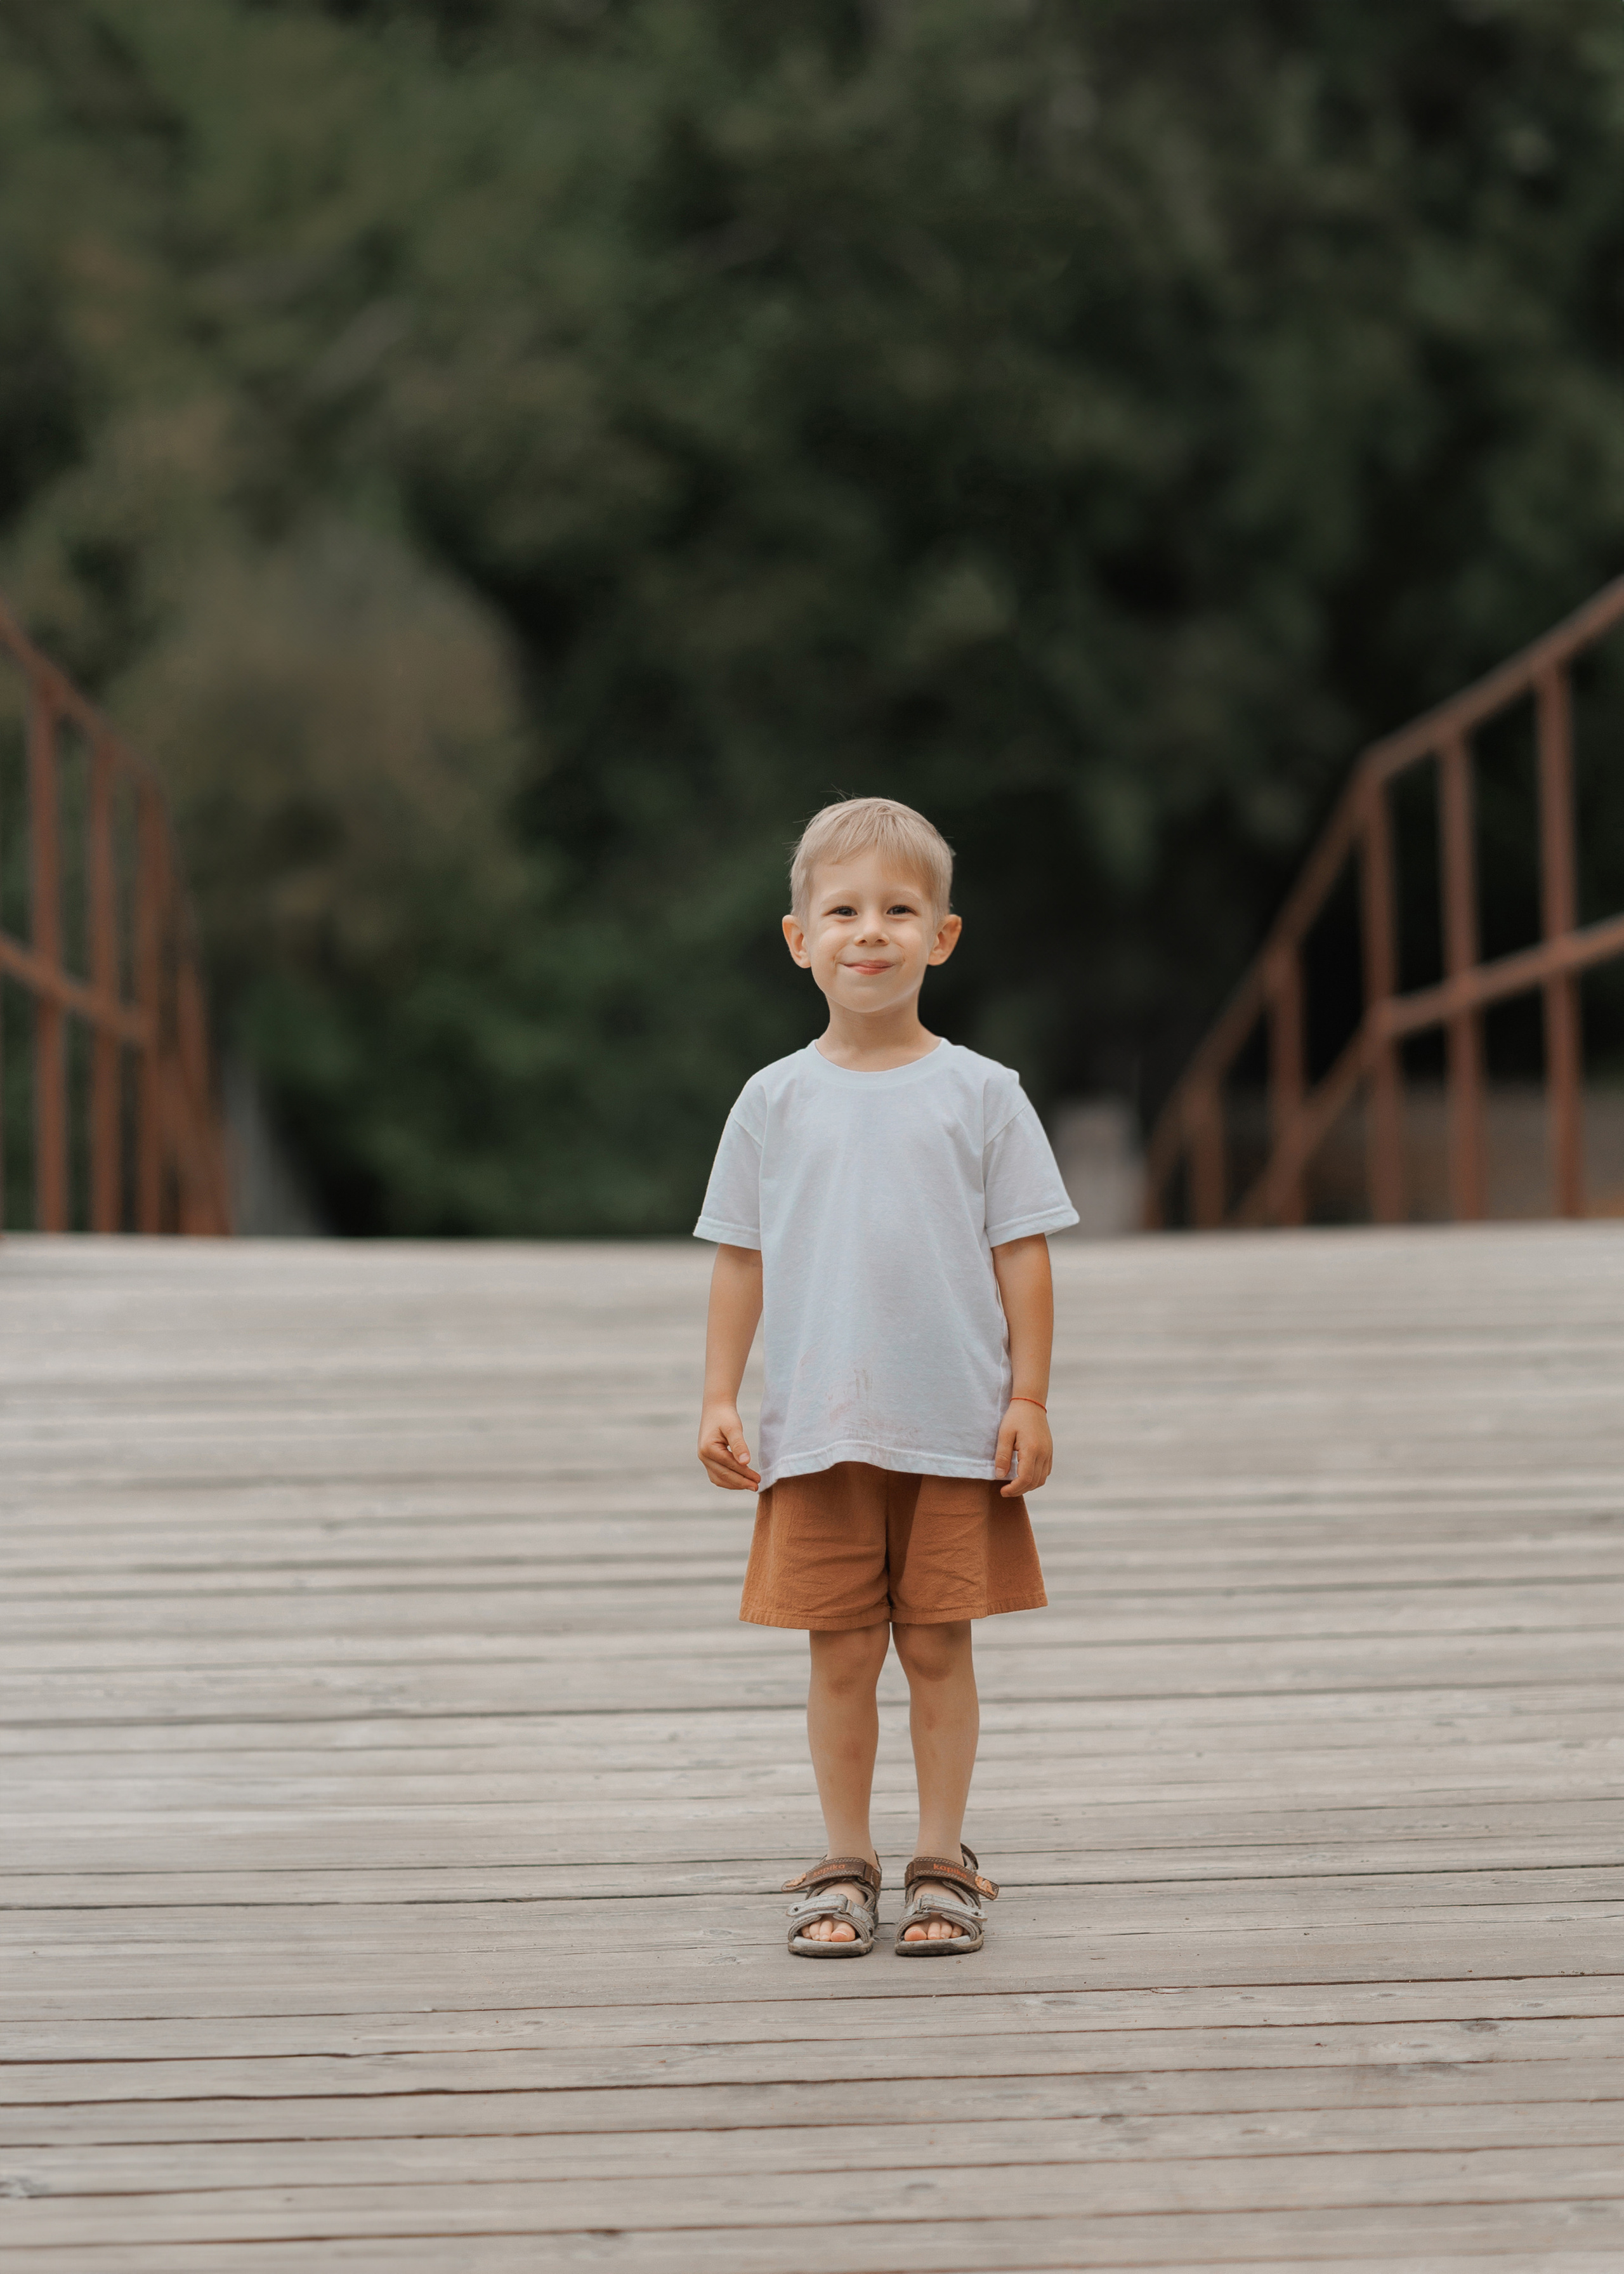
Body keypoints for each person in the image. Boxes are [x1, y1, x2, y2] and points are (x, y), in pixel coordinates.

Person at [694, 795, 1078, 1957]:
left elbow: (1025, 1254)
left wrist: (1029, 1397)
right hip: (818, 1426)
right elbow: (741, 1258)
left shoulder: (982, 1093)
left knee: (941, 1645)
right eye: (843, 910)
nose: (872, 932)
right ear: (798, 937)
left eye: (899, 910)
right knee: (843, 1650)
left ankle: (941, 1859)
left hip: (953, 1425)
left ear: (943, 937)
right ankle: (846, 1858)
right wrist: (719, 1392)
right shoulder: (775, 1099)